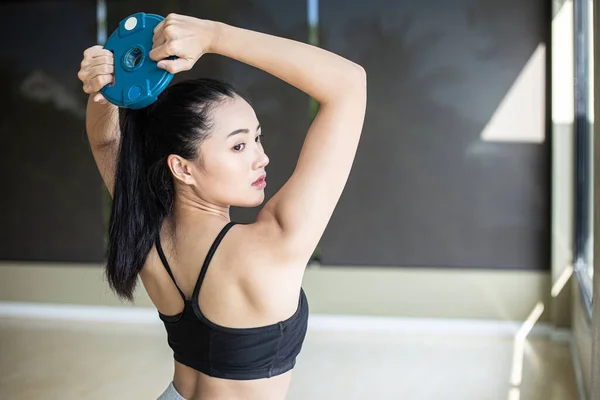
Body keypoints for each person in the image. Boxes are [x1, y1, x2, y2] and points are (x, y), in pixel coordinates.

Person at [77, 13, 366, 400]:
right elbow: (348, 84)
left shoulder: (147, 233)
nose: (261, 158)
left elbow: (106, 142)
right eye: (239, 145)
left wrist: (106, 85)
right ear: (182, 167)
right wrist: (214, 35)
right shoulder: (272, 244)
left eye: (257, 139)